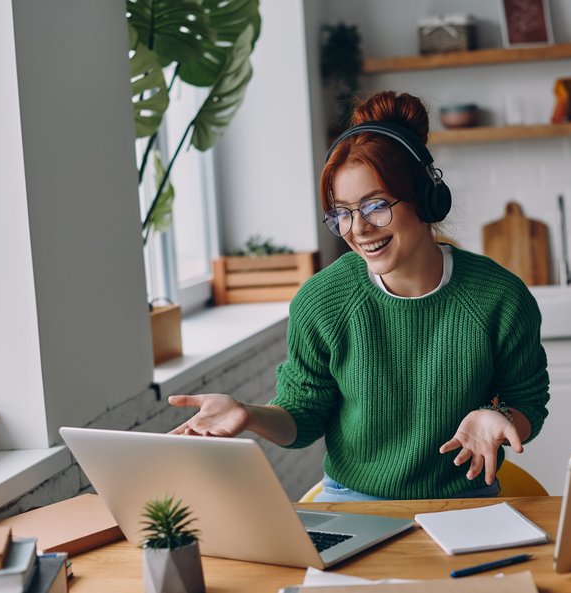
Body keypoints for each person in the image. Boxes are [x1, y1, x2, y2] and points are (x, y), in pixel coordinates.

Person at [168, 91, 549, 501]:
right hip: (352, 501)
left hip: (463, 500)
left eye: (376, 206)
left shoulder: (499, 297)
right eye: (342, 212)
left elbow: (528, 400)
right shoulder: (323, 300)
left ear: (426, 197)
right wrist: (250, 415)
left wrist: (498, 416)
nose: (359, 229)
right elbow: (303, 417)